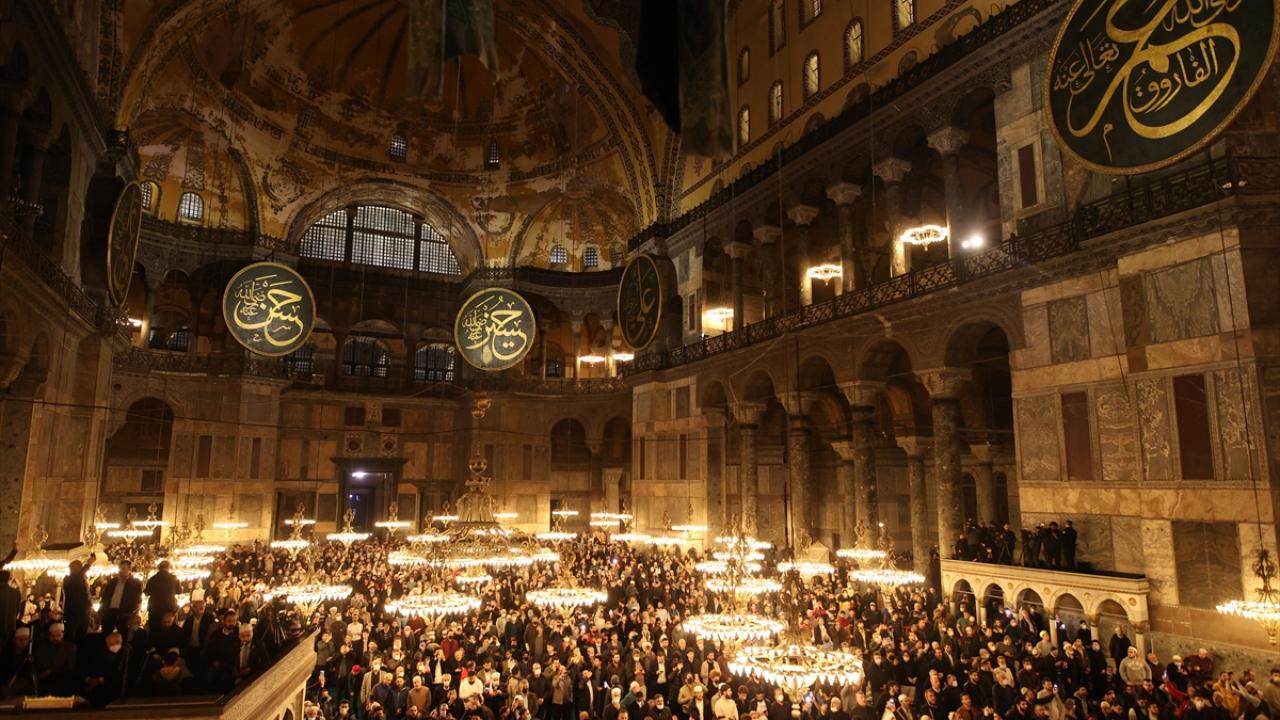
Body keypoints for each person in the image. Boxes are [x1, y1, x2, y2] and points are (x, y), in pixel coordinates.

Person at [98, 560, 142, 634]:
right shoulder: (112, 582)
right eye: (120, 568)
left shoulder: (134, 584)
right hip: (110, 611)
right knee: (106, 633)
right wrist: (102, 610)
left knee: (123, 634)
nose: (121, 571)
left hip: (124, 613)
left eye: (124, 568)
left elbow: (137, 599)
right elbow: (105, 596)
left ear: (129, 570)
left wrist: (131, 611)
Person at [60, 554, 95, 642]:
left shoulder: (80, 580)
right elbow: (78, 577)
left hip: (82, 612)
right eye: (79, 566)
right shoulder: (70, 579)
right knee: (73, 636)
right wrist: (89, 564)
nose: (80, 568)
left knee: (82, 636)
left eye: (81, 566)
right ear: (72, 569)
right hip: (74, 613)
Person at [144, 560, 181, 632]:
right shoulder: (173, 578)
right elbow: (179, 591)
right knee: (170, 631)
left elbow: (146, 593)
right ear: (168, 568)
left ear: (159, 568)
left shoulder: (153, 578)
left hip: (155, 610)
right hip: (169, 609)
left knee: (155, 630)